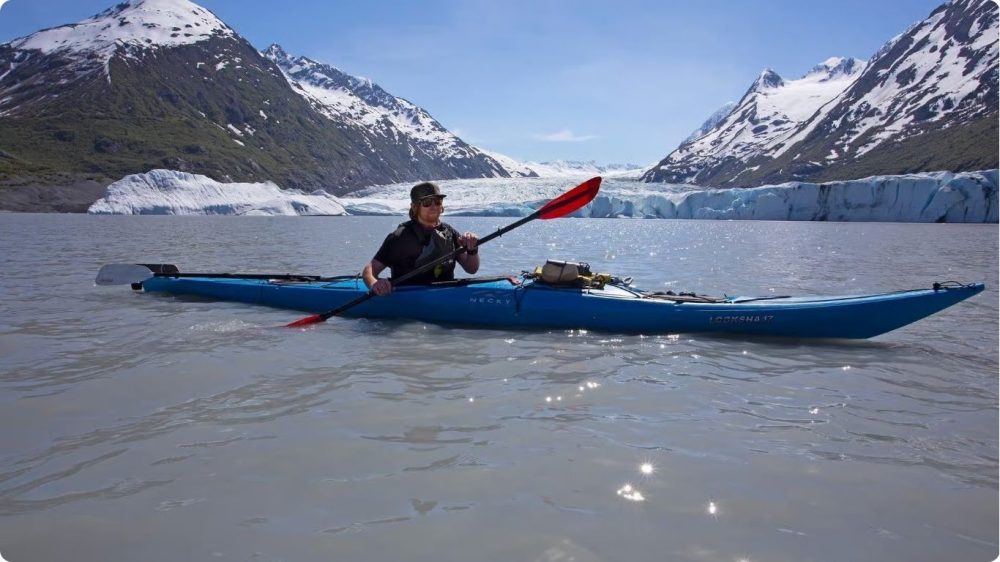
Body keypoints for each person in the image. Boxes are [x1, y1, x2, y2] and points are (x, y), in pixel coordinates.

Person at [363, 182, 479, 296]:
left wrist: (472, 249)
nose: (434, 207)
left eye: (437, 202)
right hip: (409, 300)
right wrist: (375, 284)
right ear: (415, 207)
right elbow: (369, 270)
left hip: (445, 297)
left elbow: (471, 269)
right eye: (427, 203)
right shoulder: (400, 236)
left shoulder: (449, 232)